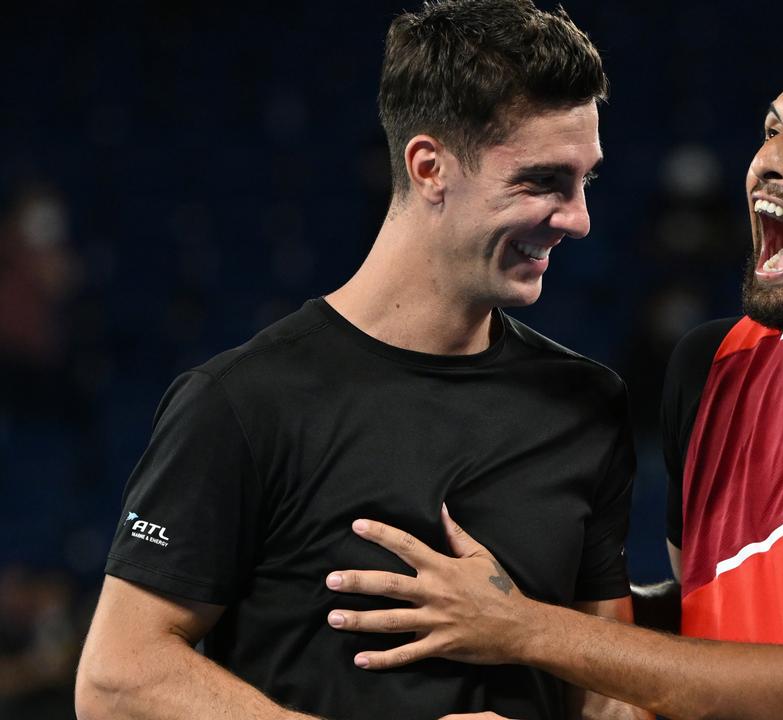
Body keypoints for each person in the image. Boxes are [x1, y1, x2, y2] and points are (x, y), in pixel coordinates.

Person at [322, 42, 783, 720]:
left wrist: (524, 628)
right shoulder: (711, 370)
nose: (768, 160)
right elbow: (713, 624)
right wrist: (537, 605)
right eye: (770, 129)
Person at [75, 2, 646, 719]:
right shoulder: (242, 402)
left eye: (585, 181)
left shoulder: (588, 404)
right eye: (542, 183)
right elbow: (117, 679)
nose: (578, 219)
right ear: (430, 166)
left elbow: (607, 695)